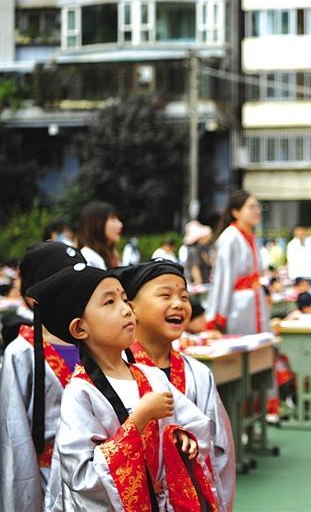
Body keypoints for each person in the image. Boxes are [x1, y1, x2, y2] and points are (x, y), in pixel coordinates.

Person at [30, 265, 218, 510]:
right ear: (79, 328)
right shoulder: (80, 393)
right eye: (109, 302)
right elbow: (82, 476)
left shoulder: (151, 376)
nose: (126, 310)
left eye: (125, 299)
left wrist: (180, 436)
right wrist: (139, 419)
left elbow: (193, 425)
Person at [115, 260, 236, 511]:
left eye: (184, 296)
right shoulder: (115, 372)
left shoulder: (199, 374)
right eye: (165, 295)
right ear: (130, 307)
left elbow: (219, 447)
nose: (179, 304)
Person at [0, 242, 86, 511]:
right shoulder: (21, 353)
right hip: (49, 479)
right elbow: (15, 434)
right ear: (35, 297)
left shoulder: (97, 343)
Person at [206, 190, 270, 334]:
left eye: (258, 207)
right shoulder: (230, 238)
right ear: (235, 212)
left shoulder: (251, 237)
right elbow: (223, 279)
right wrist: (217, 315)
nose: (257, 211)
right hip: (238, 305)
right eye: (251, 207)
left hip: (254, 300)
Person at [77, 201, 123, 269]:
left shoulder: (112, 257)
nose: (120, 224)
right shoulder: (89, 258)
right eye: (112, 218)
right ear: (96, 224)